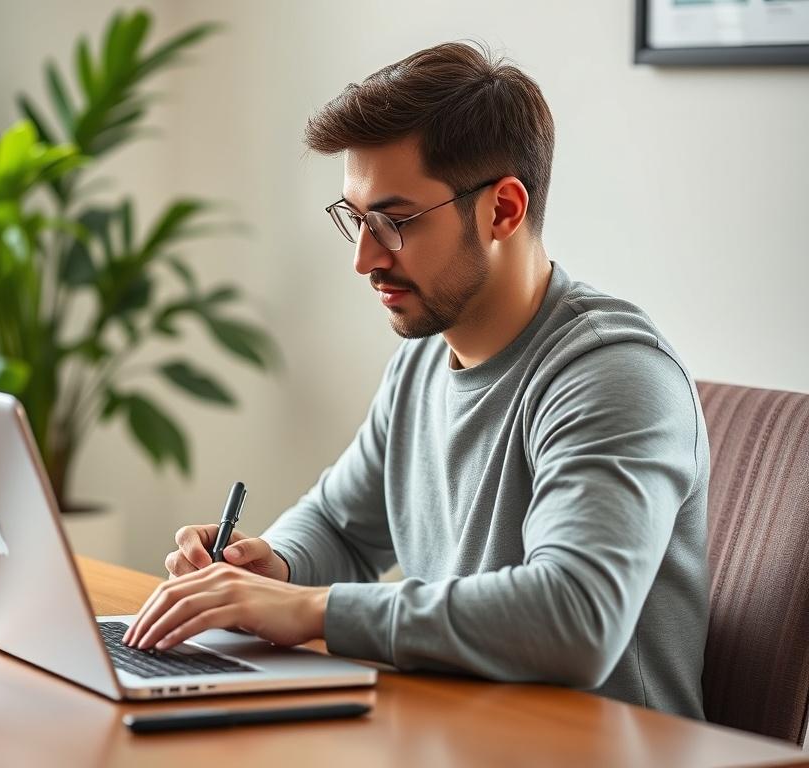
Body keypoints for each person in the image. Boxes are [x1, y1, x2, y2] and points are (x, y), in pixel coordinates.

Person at [122, 41, 710, 719]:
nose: (365, 259)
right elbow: (342, 528)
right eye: (355, 218)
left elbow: (577, 617)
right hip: (457, 734)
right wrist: (269, 569)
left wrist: (311, 610)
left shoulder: (613, 374)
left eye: (393, 222)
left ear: (504, 211)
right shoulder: (425, 360)